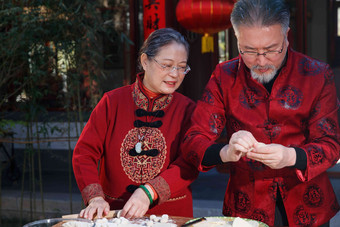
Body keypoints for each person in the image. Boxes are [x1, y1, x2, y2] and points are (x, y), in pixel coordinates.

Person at [181, 0, 340, 226]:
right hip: (245, 206)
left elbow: (330, 145)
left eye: (271, 50)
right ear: (237, 40)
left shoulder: (316, 75)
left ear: (286, 36)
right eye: (250, 51)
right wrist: (226, 151)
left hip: (307, 205)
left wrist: (290, 157)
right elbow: (192, 141)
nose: (261, 61)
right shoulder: (224, 77)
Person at [73, 28, 198, 220]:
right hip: (116, 215)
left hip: (172, 217)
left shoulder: (188, 110)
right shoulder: (112, 102)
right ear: (145, 61)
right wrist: (95, 197)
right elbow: (84, 153)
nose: (175, 74)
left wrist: (150, 192)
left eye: (182, 67)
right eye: (167, 65)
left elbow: (189, 162)